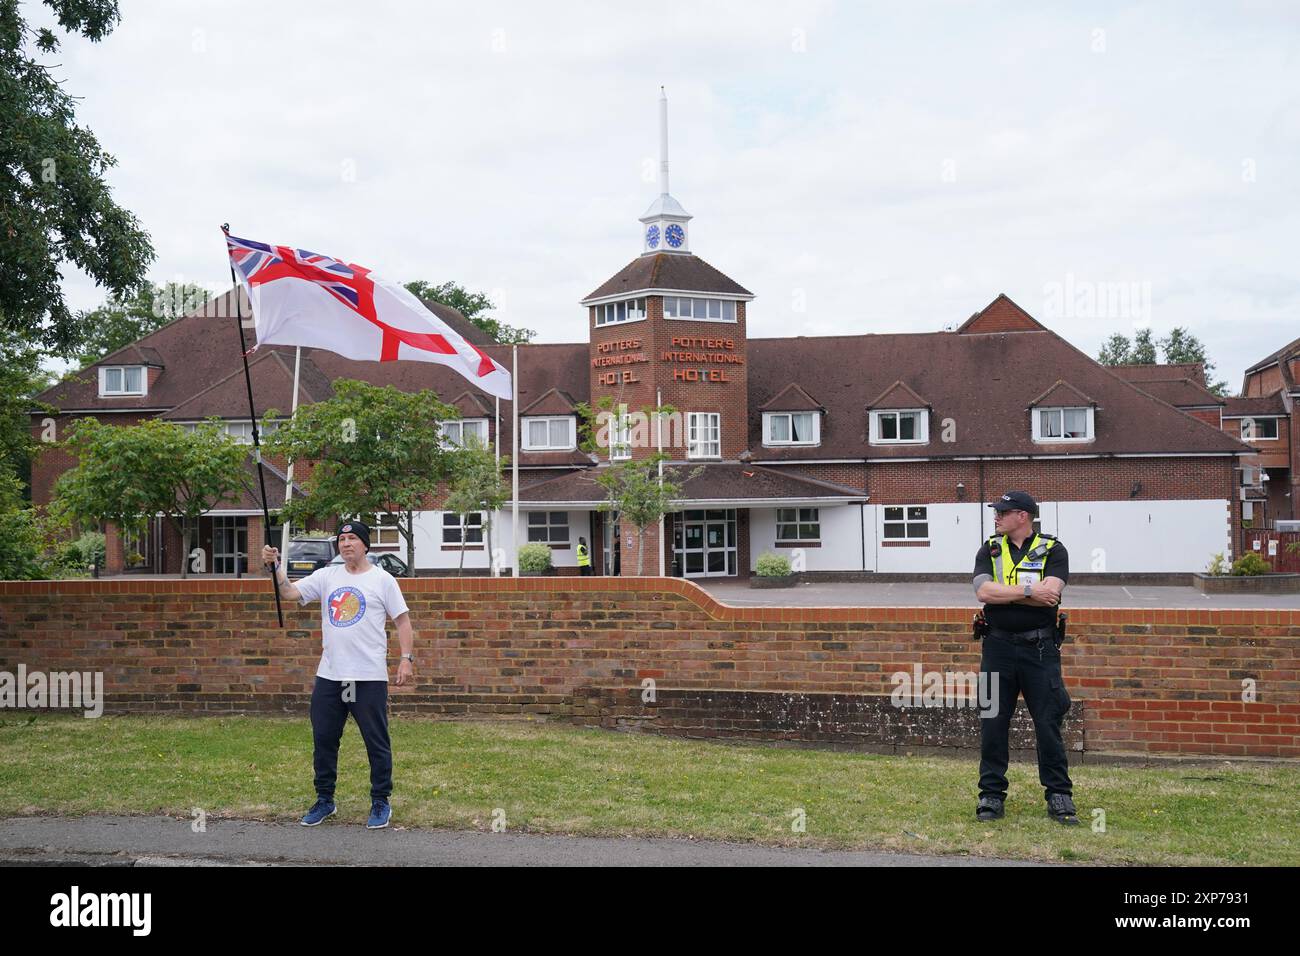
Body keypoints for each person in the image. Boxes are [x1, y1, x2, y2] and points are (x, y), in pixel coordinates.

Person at [262, 520, 414, 830]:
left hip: (368, 676)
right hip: (331, 675)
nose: (346, 544)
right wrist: (275, 566)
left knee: (376, 741)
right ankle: (325, 800)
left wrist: (406, 659)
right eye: (342, 539)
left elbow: (402, 622)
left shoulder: (382, 580)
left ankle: (380, 801)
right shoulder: (326, 576)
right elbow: (289, 593)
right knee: (324, 739)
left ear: (365, 544)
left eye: (352, 539)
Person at [971, 491, 1078, 826]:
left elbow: (1052, 597)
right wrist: (1029, 591)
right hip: (997, 649)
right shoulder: (989, 548)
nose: (996, 517)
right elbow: (983, 592)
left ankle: (1059, 796)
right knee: (992, 721)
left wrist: (1009, 595)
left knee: (1048, 723)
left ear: (1022, 516)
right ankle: (991, 796)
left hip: (1040, 651)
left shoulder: (1053, 549)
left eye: (1002, 512)